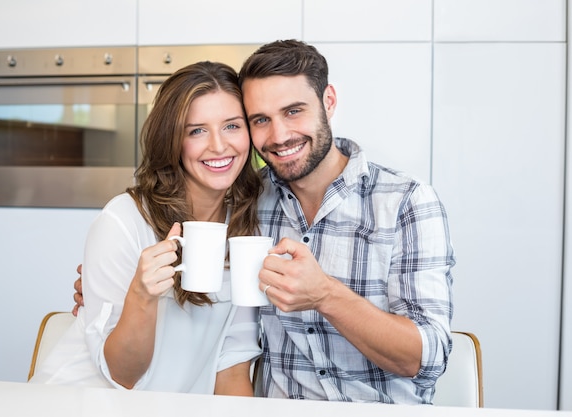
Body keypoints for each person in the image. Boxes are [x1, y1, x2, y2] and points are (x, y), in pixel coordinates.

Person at [73, 39, 455, 404]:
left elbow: (428, 358)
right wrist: (106, 284)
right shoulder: (251, 204)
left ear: (329, 101)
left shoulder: (405, 202)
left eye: (293, 111)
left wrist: (325, 295)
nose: (280, 135)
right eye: (260, 119)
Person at [30, 61, 263, 396]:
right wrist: (142, 295)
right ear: (171, 140)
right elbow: (122, 376)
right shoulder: (123, 221)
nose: (219, 145)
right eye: (196, 130)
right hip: (81, 401)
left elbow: (231, 367)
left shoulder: (245, 225)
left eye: (232, 126)